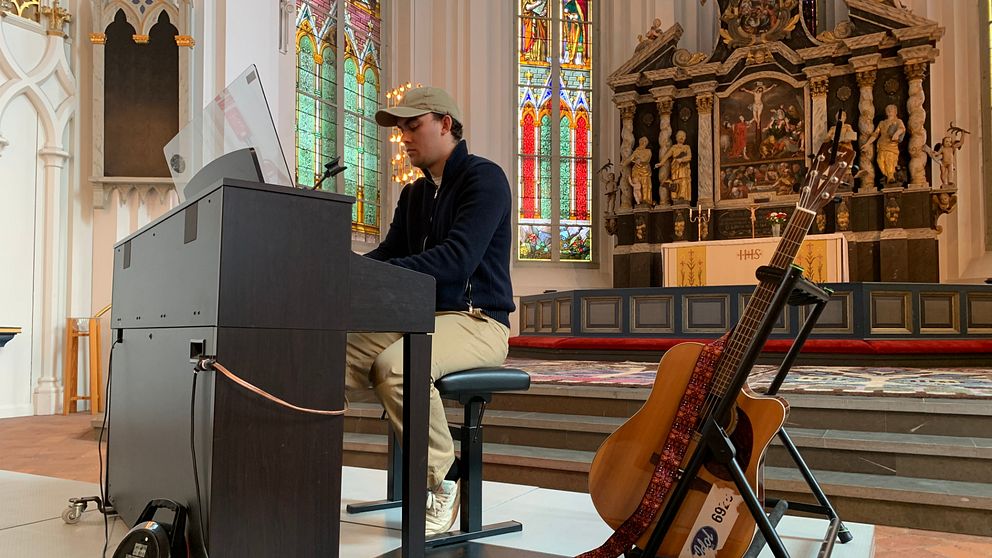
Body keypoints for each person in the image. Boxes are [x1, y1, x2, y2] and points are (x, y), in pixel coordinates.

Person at [348, 86, 514, 535]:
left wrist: (376, 275)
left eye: (413, 124)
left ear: (446, 123)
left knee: (398, 366)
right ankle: (293, 466)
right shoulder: (415, 195)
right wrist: (343, 270)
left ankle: (444, 480)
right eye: (400, 128)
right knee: (331, 351)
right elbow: (389, 253)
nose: (403, 135)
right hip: (420, 316)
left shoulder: (485, 179)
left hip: (479, 320)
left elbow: (456, 260)